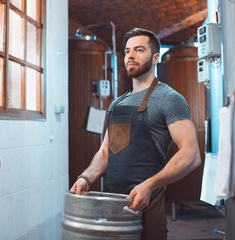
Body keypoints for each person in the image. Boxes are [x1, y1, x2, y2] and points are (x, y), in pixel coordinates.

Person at [70, 27, 201, 240]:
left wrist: (149, 185)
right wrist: (87, 176)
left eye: (139, 50)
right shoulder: (118, 103)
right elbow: (106, 151)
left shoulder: (169, 98)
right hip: (112, 205)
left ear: (155, 57)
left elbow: (191, 154)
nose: (130, 55)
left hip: (147, 207)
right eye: (127, 51)